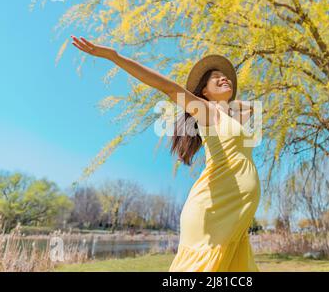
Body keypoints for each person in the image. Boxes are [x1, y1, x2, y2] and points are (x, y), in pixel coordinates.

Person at [71, 36, 261, 271]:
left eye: (226, 78)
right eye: (215, 78)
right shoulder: (206, 112)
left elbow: (251, 108)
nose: (224, 78)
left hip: (233, 217)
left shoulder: (230, 116)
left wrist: (226, 103)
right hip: (213, 213)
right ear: (203, 92)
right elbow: (169, 88)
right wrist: (115, 57)